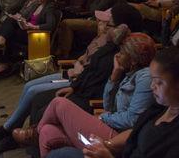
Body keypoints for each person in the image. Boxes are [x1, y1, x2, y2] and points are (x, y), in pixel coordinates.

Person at [53, 47, 179, 158]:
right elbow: (136, 131)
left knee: (60, 153)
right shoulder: (162, 107)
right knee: (50, 134)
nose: (152, 86)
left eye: (158, 82)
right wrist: (107, 144)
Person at [14, 33, 156, 157]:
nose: (117, 55)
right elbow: (108, 106)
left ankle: (34, 132)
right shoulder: (128, 73)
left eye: (123, 52)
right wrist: (114, 76)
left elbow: (133, 119)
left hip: (120, 136)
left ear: (134, 59)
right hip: (110, 125)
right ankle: (39, 132)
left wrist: (103, 117)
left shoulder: (145, 77)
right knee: (48, 131)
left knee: (59, 103)